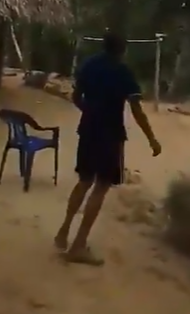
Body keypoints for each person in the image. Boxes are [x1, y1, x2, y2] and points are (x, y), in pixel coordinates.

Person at [54, 33, 161, 265]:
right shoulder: (123, 73)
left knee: (84, 181)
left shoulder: (89, 65)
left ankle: (63, 232)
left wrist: (89, 111)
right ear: (123, 50)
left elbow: (75, 97)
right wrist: (152, 138)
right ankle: (78, 246)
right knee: (101, 186)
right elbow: (136, 110)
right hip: (110, 134)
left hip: (88, 130)